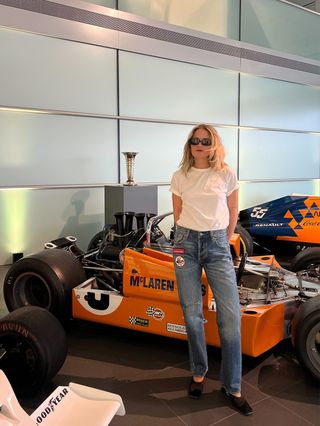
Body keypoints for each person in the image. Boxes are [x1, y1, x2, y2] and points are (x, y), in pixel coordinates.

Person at [169, 124, 253, 416]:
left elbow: (233, 212)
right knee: (192, 316)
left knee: (230, 318)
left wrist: (225, 238)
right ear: (190, 145)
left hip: (217, 245)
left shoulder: (226, 174)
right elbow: (177, 214)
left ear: (214, 144)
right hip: (185, 244)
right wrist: (185, 239)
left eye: (206, 141)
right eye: (195, 140)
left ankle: (233, 386)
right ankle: (199, 373)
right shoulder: (180, 176)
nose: (200, 145)